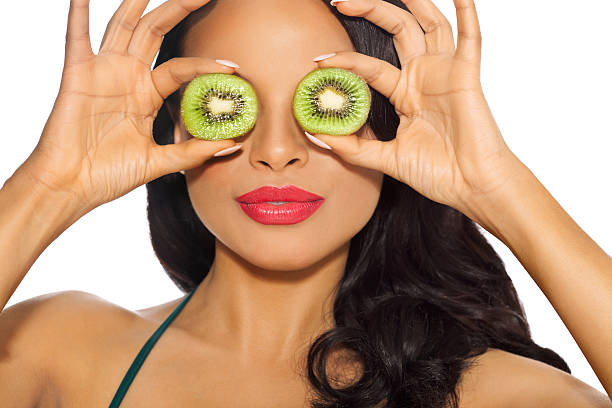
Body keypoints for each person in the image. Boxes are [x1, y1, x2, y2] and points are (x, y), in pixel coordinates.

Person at [0, 0, 610, 406]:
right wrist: (51, 186)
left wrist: (495, 185)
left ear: (390, 127)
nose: (277, 150)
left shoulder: (498, 395)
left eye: (323, 102)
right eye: (230, 98)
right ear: (177, 128)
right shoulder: (59, 348)